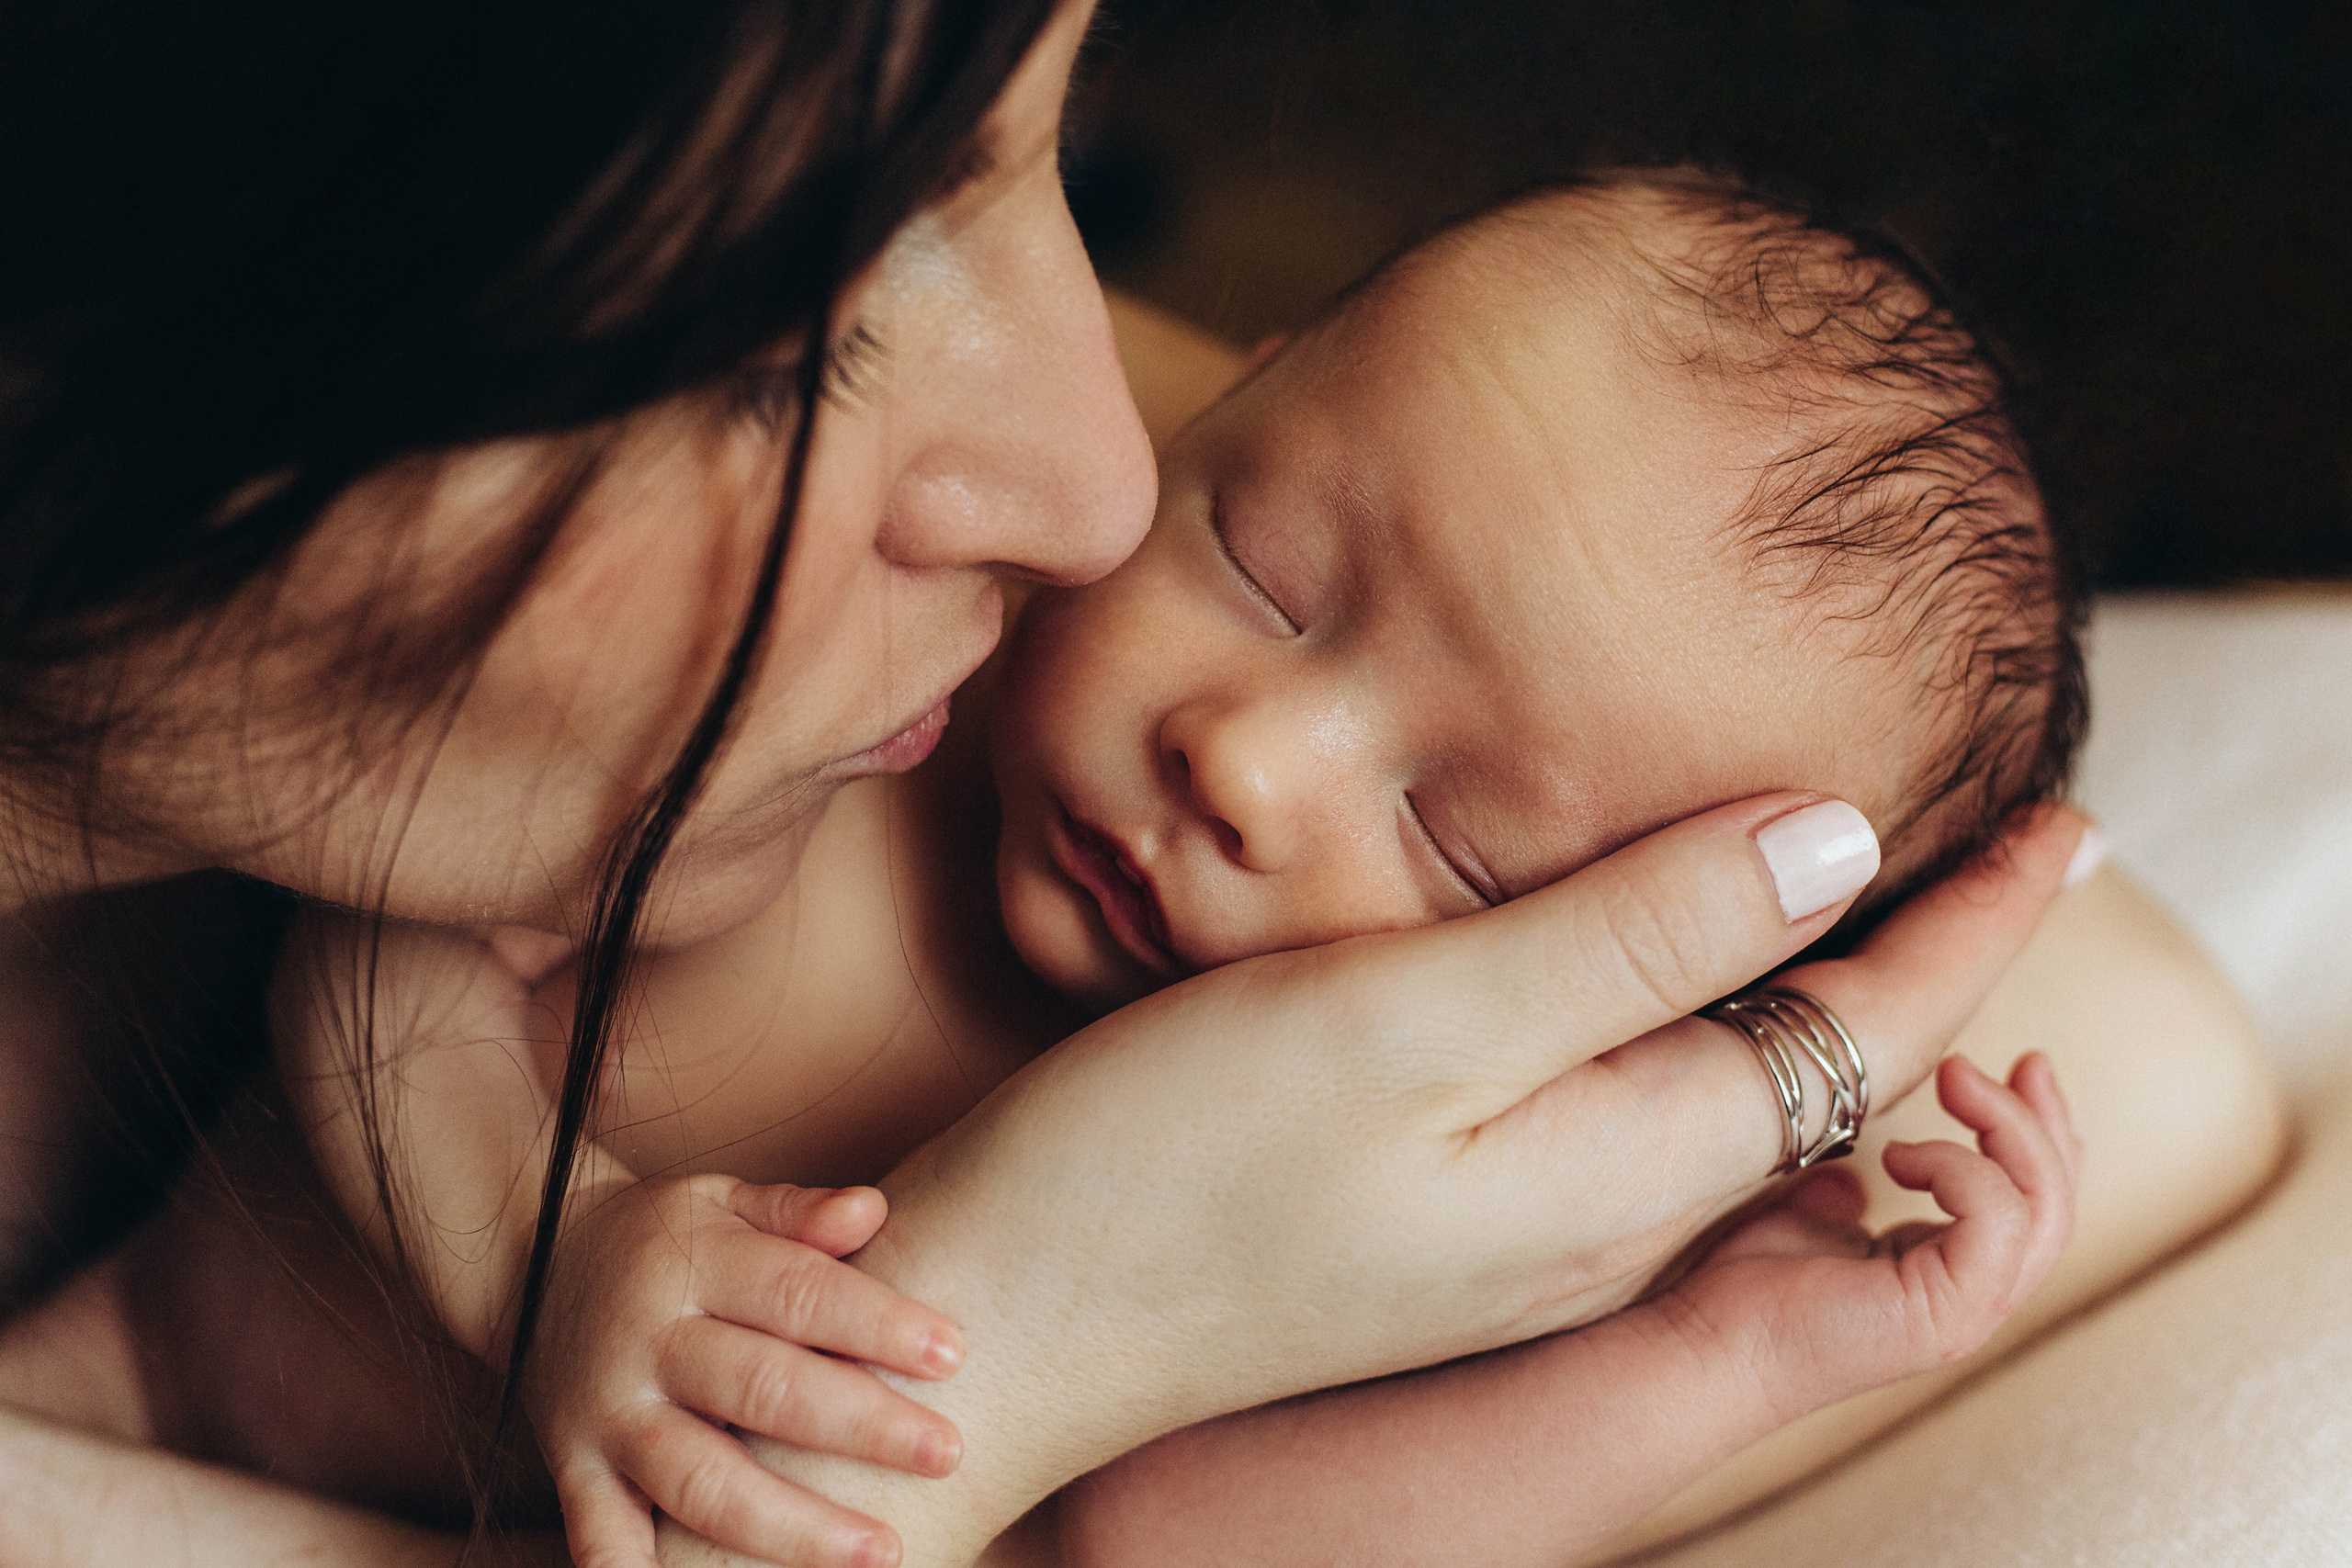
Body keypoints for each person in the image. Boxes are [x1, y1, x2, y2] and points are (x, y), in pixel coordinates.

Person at [0, 4, 2275, 1567]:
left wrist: (1716, 1352)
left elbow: (1163, 1533)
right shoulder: (865, 740)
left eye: (1462, 849)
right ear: (1250, 393)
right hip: (138, 1332)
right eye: (1263, 566)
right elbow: (392, 936)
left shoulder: (1438, 1166)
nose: (1244, 750)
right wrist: (550, 1246)